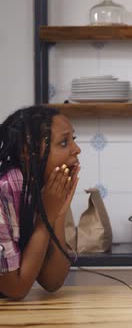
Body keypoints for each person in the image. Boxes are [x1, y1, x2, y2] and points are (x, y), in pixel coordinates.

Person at [0, 106, 81, 300]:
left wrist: (58, 212)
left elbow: (52, 281)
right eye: (64, 142)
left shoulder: (38, 191)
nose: (77, 149)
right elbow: (16, 289)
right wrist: (45, 221)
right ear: (29, 152)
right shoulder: (3, 192)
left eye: (73, 140)